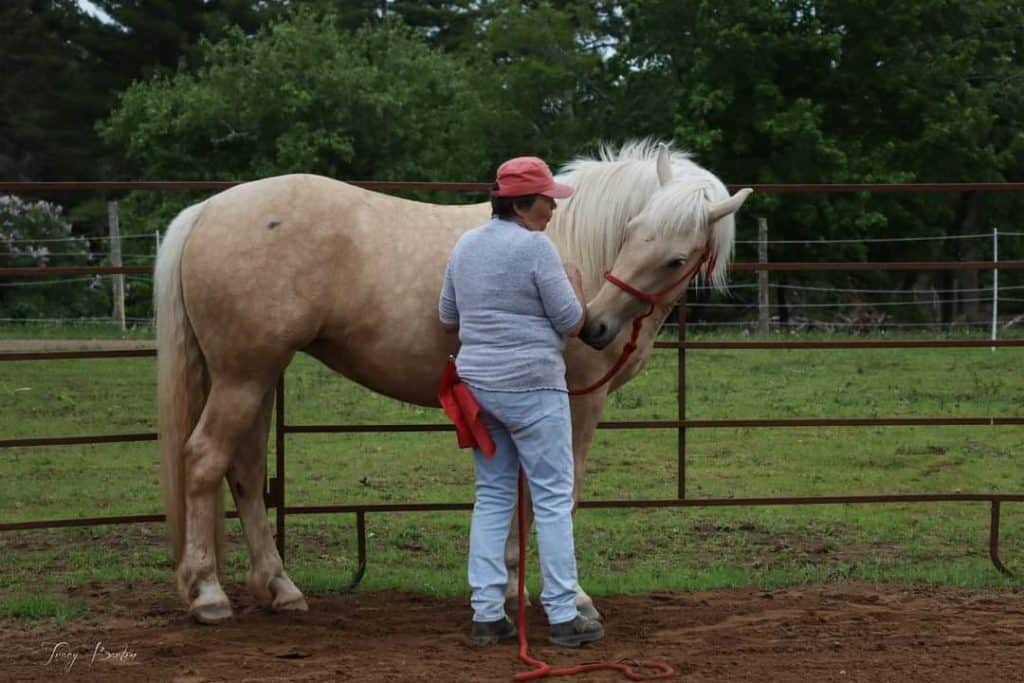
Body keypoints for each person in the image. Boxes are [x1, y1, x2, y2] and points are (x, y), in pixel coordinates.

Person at [438, 156, 605, 648]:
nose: (553, 208)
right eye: (547, 199)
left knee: (492, 494)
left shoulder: (465, 244)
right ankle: (562, 613)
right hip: (533, 388)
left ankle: (486, 612)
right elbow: (570, 321)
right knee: (553, 496)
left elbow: (447, 315)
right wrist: (574, 286)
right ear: (524, 203)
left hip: (479, 387)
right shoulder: (538, 249)